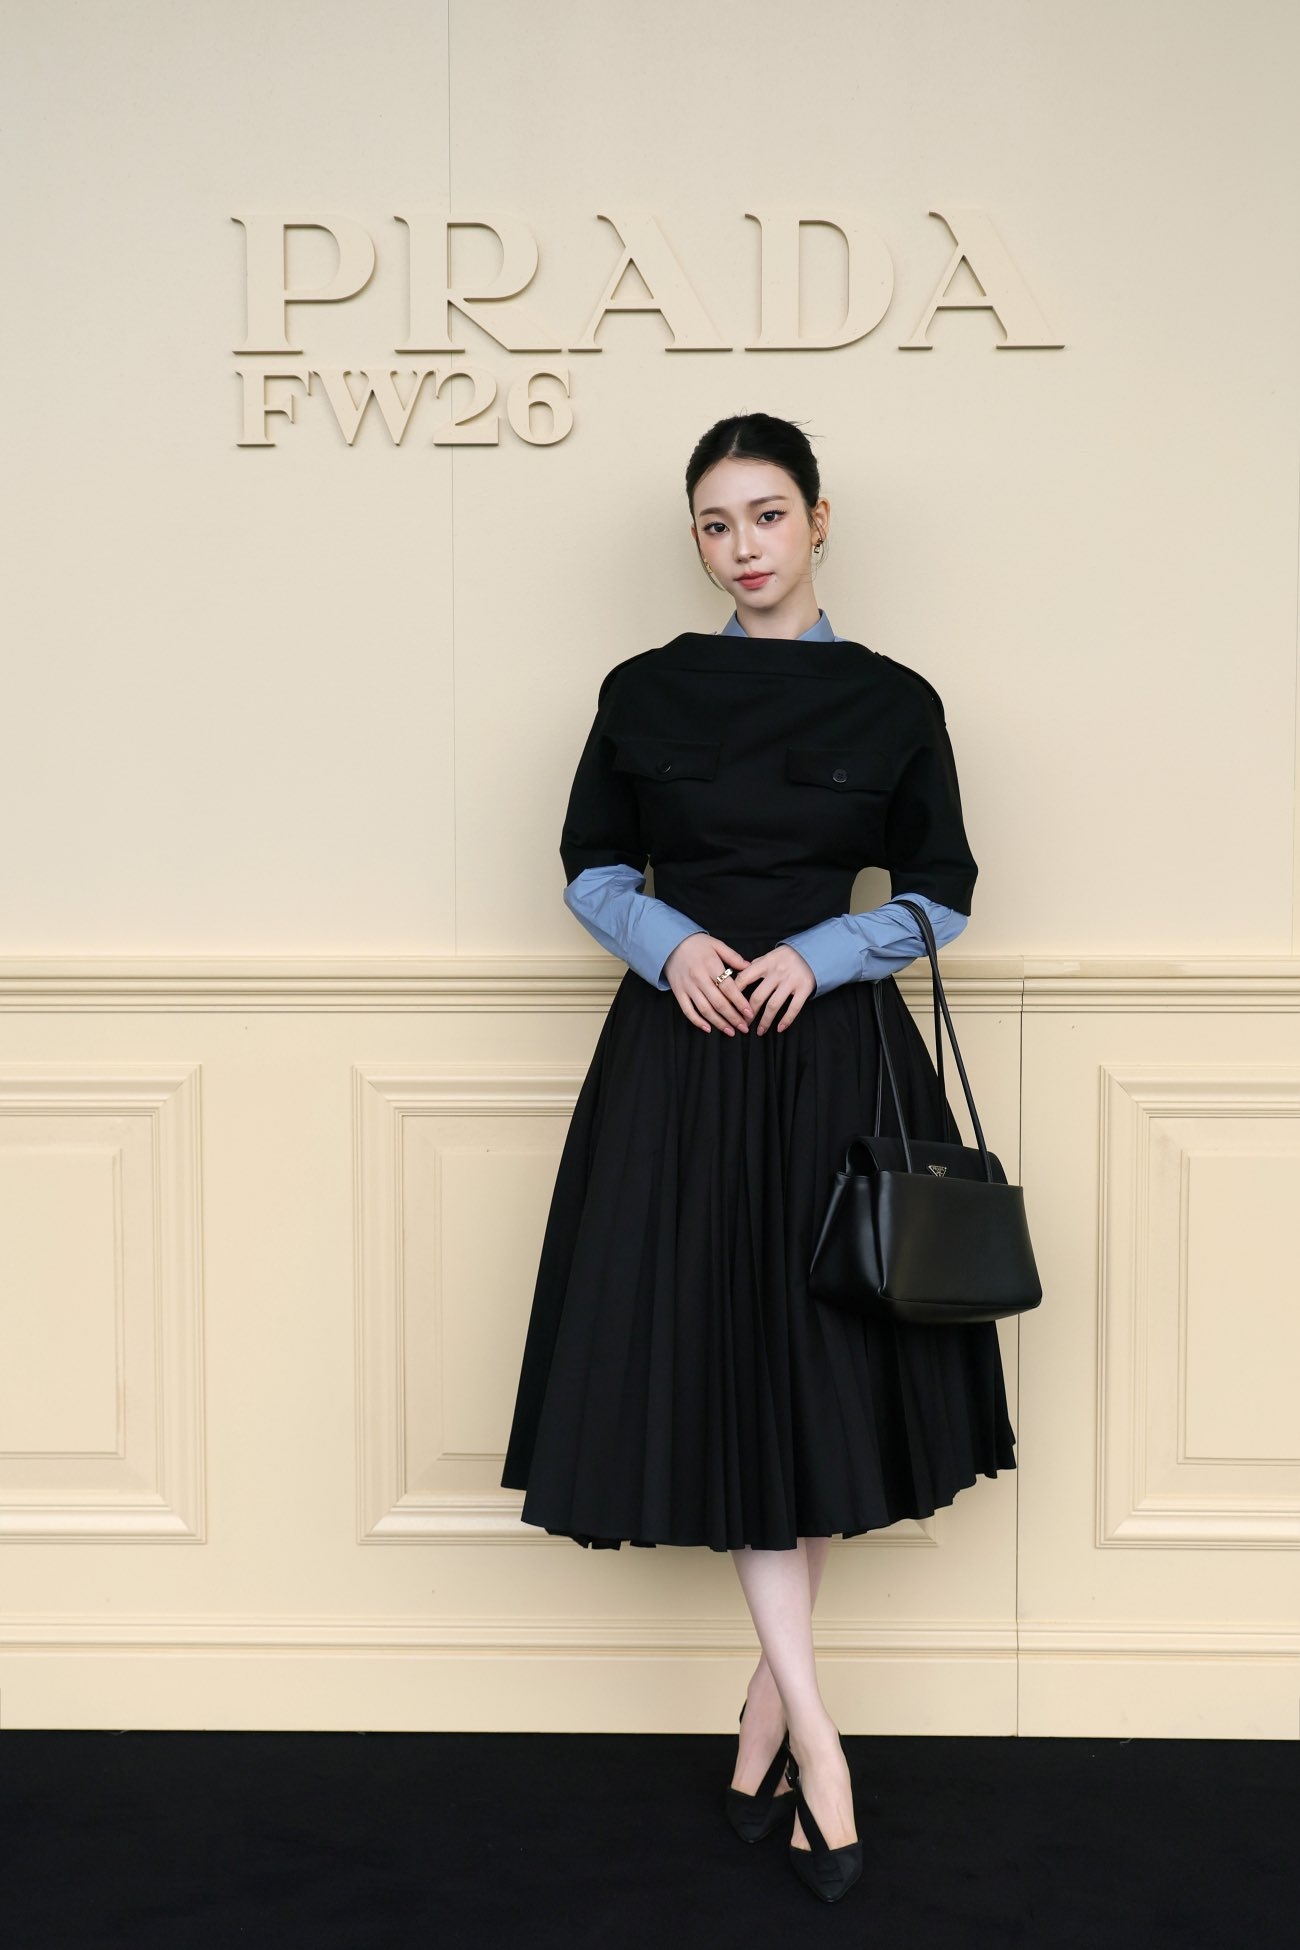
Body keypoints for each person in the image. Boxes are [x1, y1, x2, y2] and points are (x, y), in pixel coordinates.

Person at [499, 411, 1017, 1902]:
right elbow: (592, 864)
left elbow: (944, 890)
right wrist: (672, 949)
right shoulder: (643, 688)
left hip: (834, 1064)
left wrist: (818, 952)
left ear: (819, 520)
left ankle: (767, 1723)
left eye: (769, 515)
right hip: (680, 1063)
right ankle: (816, 1744)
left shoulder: (895, 699)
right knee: (739, 1371)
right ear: (698, 539)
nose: (744, 547)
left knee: (810, 1382)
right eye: (717, 524)